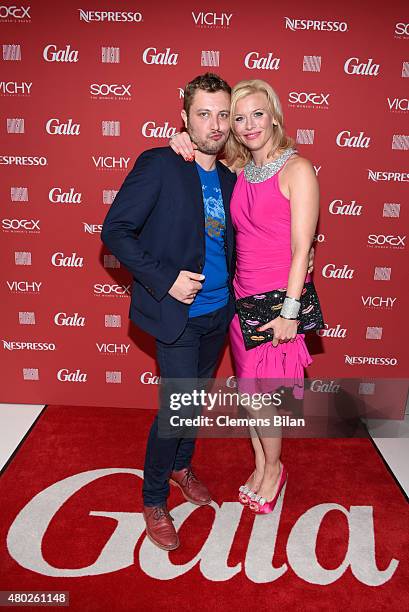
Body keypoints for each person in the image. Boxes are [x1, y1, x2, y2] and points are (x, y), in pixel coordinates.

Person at [169, 79, 319, 515]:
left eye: (257, 114)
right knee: (251, 396)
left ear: (274, 115)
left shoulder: (298, 169)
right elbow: (198, 162)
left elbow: (301, 249)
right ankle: (259, 462)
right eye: (239, 117)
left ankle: (275, 469)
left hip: (277, 303)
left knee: (261, 396)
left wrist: (291, 311)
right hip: (239, 301)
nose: (249, 124)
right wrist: (179, 139)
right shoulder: (238, 173)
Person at [101, 74, 237, 551]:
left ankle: (181, 467)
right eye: (203, 114)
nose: (214, 124)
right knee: (175, 411)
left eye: (223, 114)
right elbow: (115, 230)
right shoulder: (160, 163)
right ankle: (154, 497)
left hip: (219, 314)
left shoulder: (229, 177)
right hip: (175, 313)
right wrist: (165, 278)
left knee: (193, 402)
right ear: (184, 118)